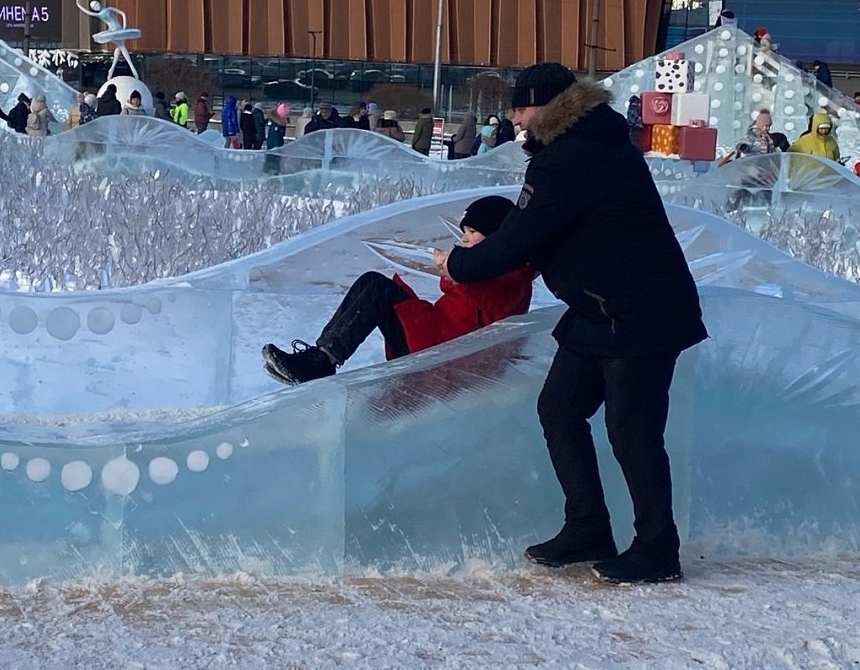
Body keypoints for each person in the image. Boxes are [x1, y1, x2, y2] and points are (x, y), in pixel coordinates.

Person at [434, 63, 707, 585]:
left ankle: (657, 547)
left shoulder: (569, 158)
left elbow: (521, 236)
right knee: (559, 408)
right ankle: (587, 527)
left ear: (549, 108)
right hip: (598, 310)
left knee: (632, 432)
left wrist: (460, 264)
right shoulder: (594, 145)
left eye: (520, 106)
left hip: (638, 313)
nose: (514, 116)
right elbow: (550, 231)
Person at [263, 195, 534, 385]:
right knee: (372, 281)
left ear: (496, 234)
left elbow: (491, 299)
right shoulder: (491, 267)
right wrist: (455, 268)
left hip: (445, 352)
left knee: (381, 290)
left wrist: (455, 266)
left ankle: (321, 361)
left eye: (472, 231)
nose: (464, 237)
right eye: (464, 230)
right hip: (437, 336)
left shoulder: (514, 274)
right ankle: (321, 356)